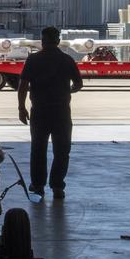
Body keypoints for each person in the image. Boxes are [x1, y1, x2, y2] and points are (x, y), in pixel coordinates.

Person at [17, 26, 83, 199]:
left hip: (39, 111)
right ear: (58, 41)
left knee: (38, 149)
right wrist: (68, 90)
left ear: (42, 41)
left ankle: (38, 186)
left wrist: (21, 108)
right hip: (61, 112)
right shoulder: (67, 60)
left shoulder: (33, 60)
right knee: (62, 150)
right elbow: (78, 84)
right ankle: (57, 187)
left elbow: (23, 86)